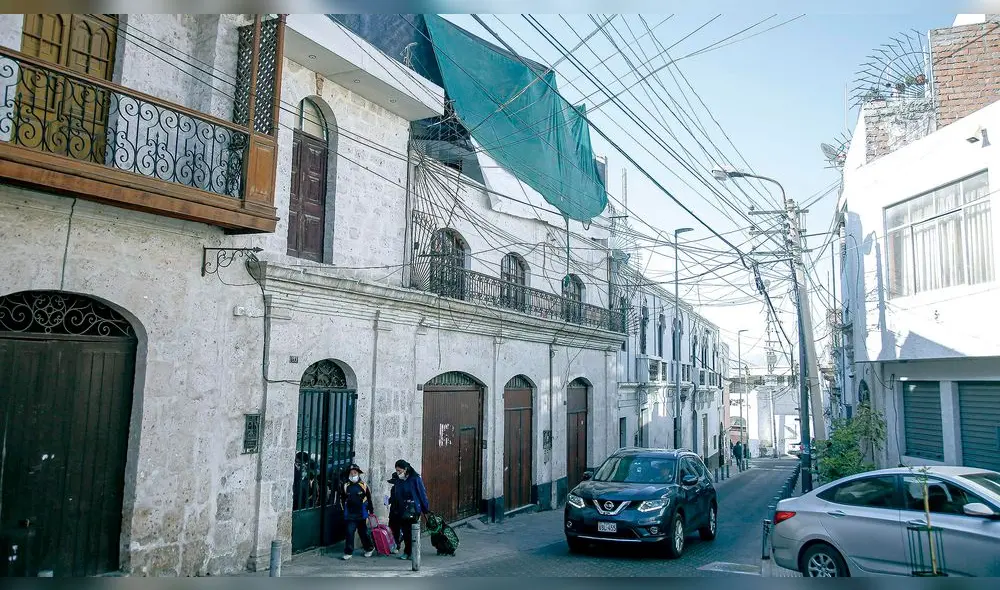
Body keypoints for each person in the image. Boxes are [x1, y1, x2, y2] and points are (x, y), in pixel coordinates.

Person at [387, 459, 430, 560]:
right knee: (405, 532)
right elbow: (396, 494)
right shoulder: (398, 480)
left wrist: (425, 508)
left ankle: (413, 552)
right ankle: (407, 552)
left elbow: (422, 494)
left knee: (412, 531)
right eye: (396, 471)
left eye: (399, 471)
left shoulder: (415, 479)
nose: (398, 473)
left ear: (405, 469)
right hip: (402, 509)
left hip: (413, 509)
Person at [340, 464, 375, 560]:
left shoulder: (364, 486)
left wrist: (371, 511)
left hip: (361, 514)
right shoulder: (345, 486)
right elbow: (342, 499)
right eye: (351, 473)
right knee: (349, 532)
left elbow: (369, 499)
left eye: (355, 472)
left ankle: (369, 548)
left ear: (358, 473)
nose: (353, 474)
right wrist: (344, 510)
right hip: (350, 514)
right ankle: (348, 552)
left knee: (363, 532)